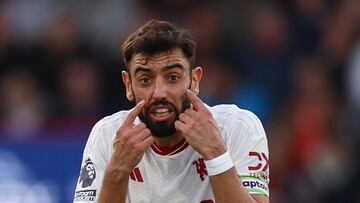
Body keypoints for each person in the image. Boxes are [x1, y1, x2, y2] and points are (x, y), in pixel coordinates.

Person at [73, 19, 270, 203]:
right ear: (128, 85)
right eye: (145, 80)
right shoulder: (108, 135)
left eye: (173, 78)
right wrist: (117, 170)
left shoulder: (237, 127)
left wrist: (216, 154)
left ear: (194, 80)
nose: (159, 93)